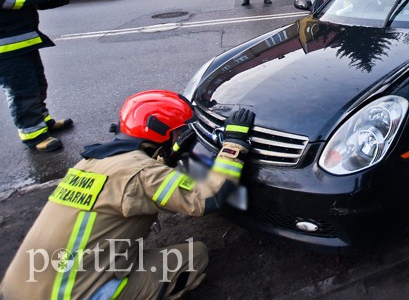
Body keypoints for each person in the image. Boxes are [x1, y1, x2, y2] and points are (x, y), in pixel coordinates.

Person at [0, 90, 255, 300]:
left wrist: (164, 160)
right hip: (71, 295)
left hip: (18, 289)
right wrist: (233, 145)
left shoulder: (90, 163)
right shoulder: (141, 174)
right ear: (161, 132)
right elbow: (207, 198)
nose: (180, 136)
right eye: (177, 131)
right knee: (194, 255)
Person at [0, 0, 74, 152]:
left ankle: (43, 123)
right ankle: (33, 134)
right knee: (22, 90)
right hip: (7, 48)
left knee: (37, 85)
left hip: (23, 41)